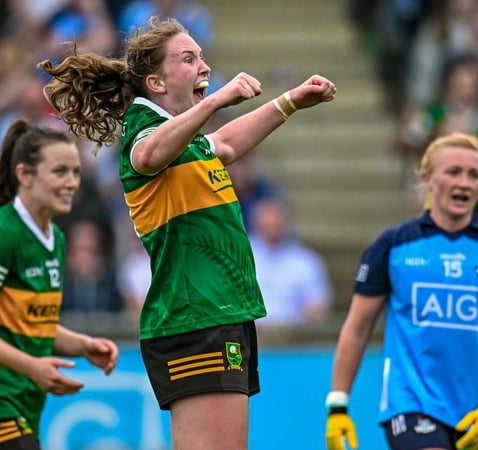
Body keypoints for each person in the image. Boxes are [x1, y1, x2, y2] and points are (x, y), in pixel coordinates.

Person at [38, 16, 336, 450]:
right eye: (188, 58)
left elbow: (228, 144)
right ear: (156, 82)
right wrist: (215, 101)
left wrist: (289, 101)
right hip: (196, 316)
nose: (204, 67)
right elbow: (148, 153)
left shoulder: (190, 142)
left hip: (217, 313)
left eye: (202, 57)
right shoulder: (145, 128)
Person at [325, 132, 478, 450]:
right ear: (427, 178)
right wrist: (338, 405)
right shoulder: (393, 245)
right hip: (411, 403)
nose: (464, 183)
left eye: (474, 175)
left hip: (476, 412)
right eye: (453, 172)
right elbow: (357, 327)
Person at [0, 119, 120, 449]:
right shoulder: (0, 234)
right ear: (25, 175)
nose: (71, 183)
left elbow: (29, 324)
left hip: (18, 407)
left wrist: (83, 345)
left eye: (76, 172)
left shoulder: (56, 239)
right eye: (59, 172)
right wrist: (31, 366)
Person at [248, 196, 333, 329]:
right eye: (267, 220)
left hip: (293, 338)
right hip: (250, 332)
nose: (272, 223)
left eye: (277, 219)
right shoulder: (241, 257)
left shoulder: (306, 261)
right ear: (255, 222)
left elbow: (318, 308)